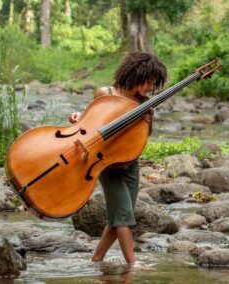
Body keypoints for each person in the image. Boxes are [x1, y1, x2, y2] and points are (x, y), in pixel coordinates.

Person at [69, 52, 167, 265]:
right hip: (107, 162)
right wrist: (77, 117)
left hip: (130, 164)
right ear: (137, 75)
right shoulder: (105, 93)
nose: (152, 87)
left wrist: (147, 120)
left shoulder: (145, 103)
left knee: (120, 215)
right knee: (123, 214)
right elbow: (87, 120)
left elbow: (142, 137)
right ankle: (133, 263)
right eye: (150, 81)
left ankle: (96, 259)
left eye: (154, 84)